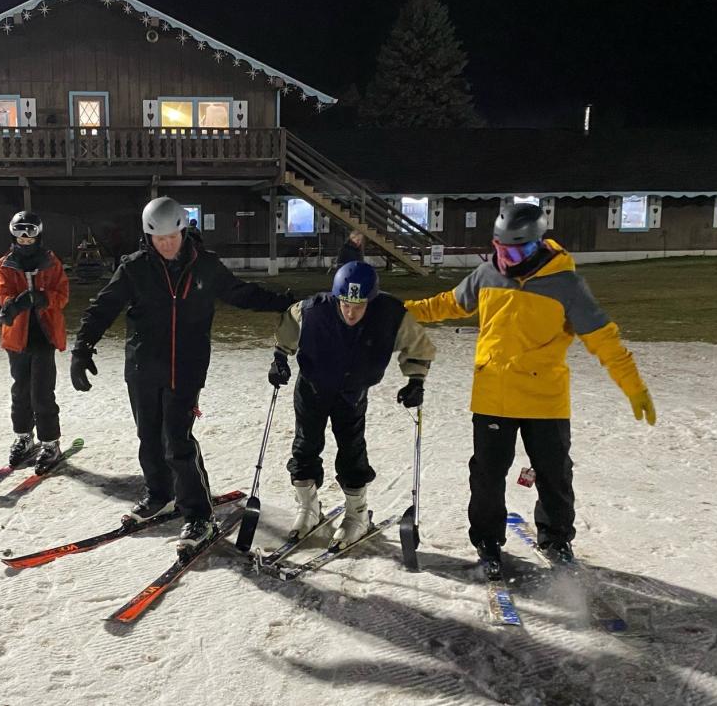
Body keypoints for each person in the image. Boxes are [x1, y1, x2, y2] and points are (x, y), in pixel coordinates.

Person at [403, 203, 655, 579]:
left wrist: (634, 386)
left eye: (516, 251)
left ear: (538, 244)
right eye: (500, 249)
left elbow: (605, 340)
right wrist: (398, 311)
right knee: (487, 477)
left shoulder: (566, 284)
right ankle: (488, 541)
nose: (506, 258)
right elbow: (448, 304)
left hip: (545, 400)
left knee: (555, 474)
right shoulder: (487, 273)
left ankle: (555, 539)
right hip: (493, 396)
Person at [70, 196, 293, 552]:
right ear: (148, 237)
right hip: (143, 367)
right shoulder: (134, 268)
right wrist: (82, 349)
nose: (167, 245)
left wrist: (285, 301)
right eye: (159, 239)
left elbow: (241, 293)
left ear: (184, 231)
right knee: (148, 436)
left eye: (172, 237)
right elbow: (103, 307)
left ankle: (199, 513)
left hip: (186, 369)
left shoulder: (205, 266)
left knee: (178, 442)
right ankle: (160, 494)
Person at [268, 261, 436, 549]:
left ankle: (357, 514)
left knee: (351, 448)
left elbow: (418, 345)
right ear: (337, 298)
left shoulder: (390, 315)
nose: (351, 311)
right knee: (305, 444)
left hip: (352, 392)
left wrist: (415, 381)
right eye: (345, 303)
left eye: (359, 305)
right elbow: (288, 329)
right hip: (312, 388)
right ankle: (308, 507)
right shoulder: (313, 309)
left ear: (371, 300)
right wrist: (280, 358)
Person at [0, 211, 70, 475]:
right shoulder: (7, 263)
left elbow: (62, 295)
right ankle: (24, 436)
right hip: (18, 337)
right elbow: (3, 291)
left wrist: (42, 297)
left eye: (30, 237)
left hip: (44, 336)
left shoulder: (50, 262)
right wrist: (11, 305)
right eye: (20, 237)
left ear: (38, 235)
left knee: (42, 392)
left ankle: (50, 441)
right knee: (21, 391)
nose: (25, 242)